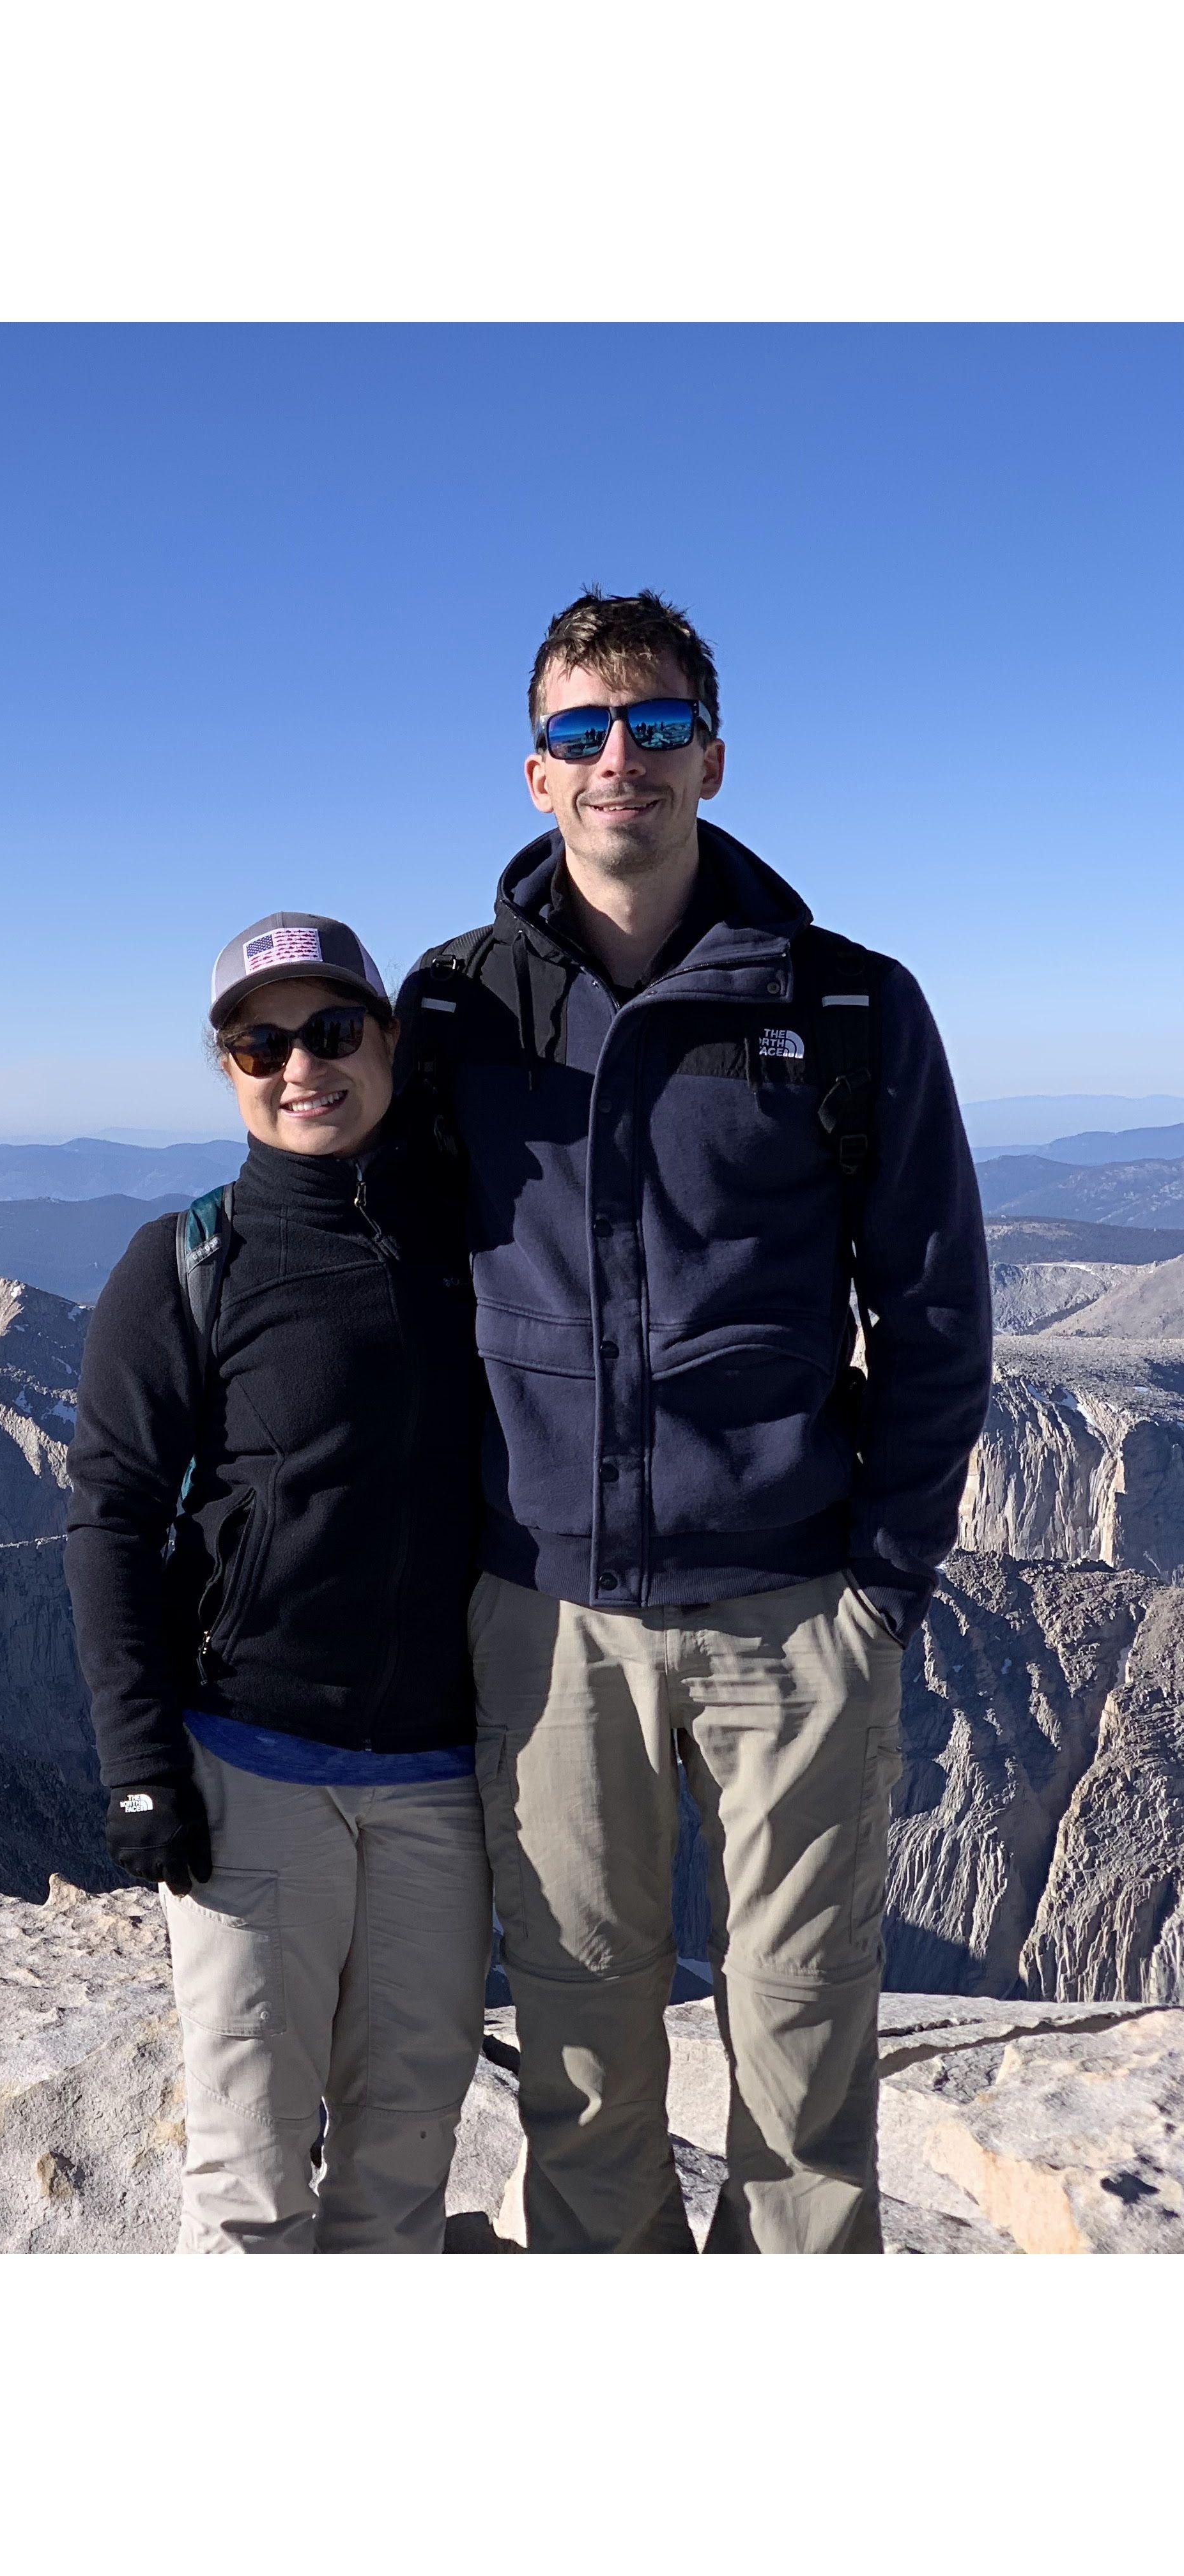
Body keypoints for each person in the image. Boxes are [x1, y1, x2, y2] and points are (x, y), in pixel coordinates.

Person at [401, 589, 992, 2253]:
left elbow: (938, 1306)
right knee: (581, 2052)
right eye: (584, 733)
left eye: (654, 729)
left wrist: (882, 1584)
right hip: (545, 1610)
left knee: (804, 2042)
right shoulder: (460, 1013)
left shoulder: (847, 1004)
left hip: (794, 1606)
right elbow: (390, 1291)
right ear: (536, 776)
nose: (620, 762)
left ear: (711, 760)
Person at [66, 912, 492, 2252]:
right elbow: (112, 1517)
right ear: (230, 1070)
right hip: (252, 1773)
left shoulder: (481, 1243)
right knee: (249, 2177)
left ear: (388, 1040)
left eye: (331, 1031)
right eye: (259, 1042)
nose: (299, 1065)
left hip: (444, 1778)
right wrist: (141, 1767)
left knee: (403, 2159)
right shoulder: (188, 1261)